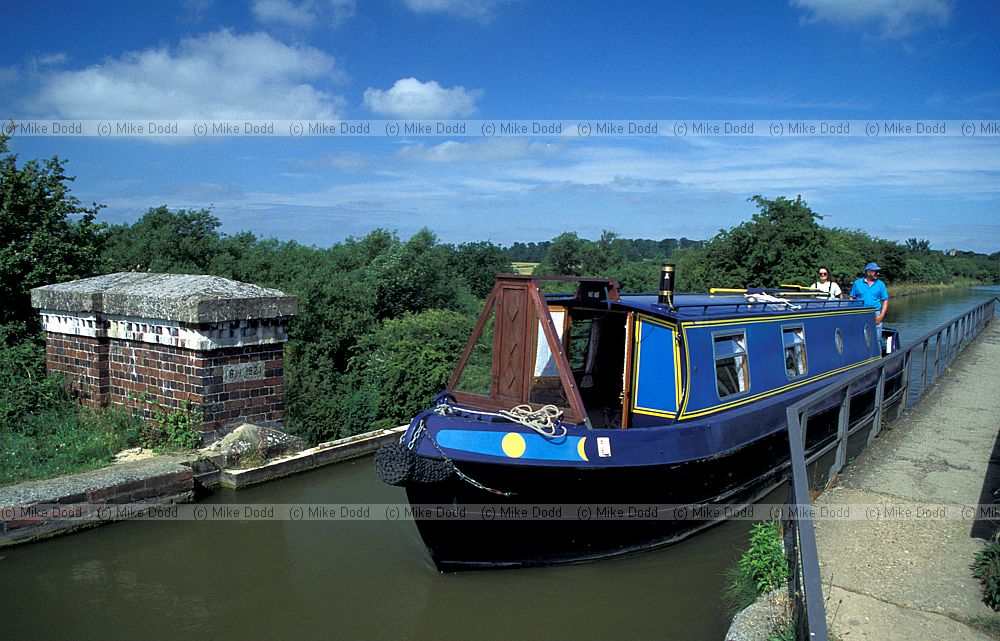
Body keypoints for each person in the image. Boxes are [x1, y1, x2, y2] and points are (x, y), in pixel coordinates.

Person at [850, 261, 889, 336]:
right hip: (860, 313)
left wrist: (881, 315)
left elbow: (885, 301)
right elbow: (852, 298)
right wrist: (852, 313)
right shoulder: (857, 283)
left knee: (877, 339)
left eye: (878, 271)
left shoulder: (880, 284)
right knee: (860, 336)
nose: (877, 273)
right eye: (875, 271)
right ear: (868, 272)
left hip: (876, 313)